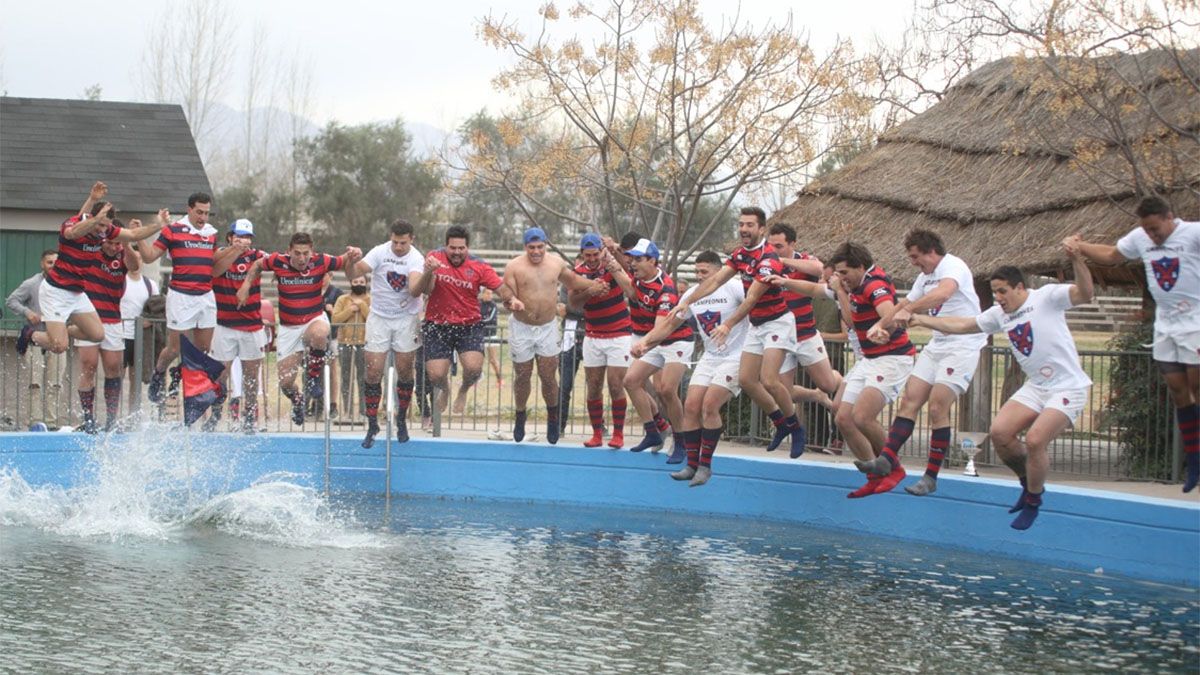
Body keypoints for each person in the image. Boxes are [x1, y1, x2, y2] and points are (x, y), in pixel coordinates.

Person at [907, 242, 1095, 529]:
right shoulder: (998, 314)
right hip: (1038, 386)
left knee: (1034, 440)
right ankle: (1027, 485)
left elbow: (1085, 293)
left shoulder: (1046, 297)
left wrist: (1079, 261)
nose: (998, 297)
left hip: (1068, 387)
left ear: (1020, 288)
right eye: (994, 292)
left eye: (1003, 291)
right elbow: (963, 326)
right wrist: (921, 319)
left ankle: (1034, 501)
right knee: (1000, 434)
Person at [1069, 197, 1200, 492]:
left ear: (1169, 217)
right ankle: (1193, 462)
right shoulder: (1140, 238)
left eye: (1155, 229)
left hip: (1196, 323)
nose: (1152, 236)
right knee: (1179, 392)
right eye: (1147, 231)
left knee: (1196, 387)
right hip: (1165, 327)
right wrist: (1080, 246)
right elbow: (1113, 253)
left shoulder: (1193, 233)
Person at [859, 229, 987, 496]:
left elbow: (943, 294)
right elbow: (905, 303)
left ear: (930, 251)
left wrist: (910, 310)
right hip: (938, 343)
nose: (913, 262)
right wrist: (880, 326)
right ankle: (886, 459)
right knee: (909, 400)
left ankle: (931, 476)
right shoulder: (923, 277)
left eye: (916, 256)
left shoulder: (953, 265)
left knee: (938, 407)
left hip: (963, 344)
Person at [672, 206, 805, 456]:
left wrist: (728, 324)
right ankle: (780, 422)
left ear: (762, 228)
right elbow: (714, 281)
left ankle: (795, 427)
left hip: (777, 322)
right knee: (746, 380)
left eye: (750, 225)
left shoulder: (768, 259)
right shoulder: (740, 255)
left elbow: (752, 297)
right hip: (757, 324)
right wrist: (687, 301)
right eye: (741, 224)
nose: (744, 229)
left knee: (769, 379)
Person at [632, 251, 746, 485]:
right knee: (691, 405)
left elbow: (754, 304)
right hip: (711, 356)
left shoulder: (735, 286)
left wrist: (733, 326)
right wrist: (645, 342)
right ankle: (691, 464)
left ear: (719, 271)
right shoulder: (693, 295)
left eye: (704, 272)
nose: (699, 276)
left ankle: (705, 466)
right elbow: (668, 324)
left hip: (737, 355)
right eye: (696, 272)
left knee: (709, 405)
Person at [237, 232, 362, 427]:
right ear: (289, 251)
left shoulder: (321, 261)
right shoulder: (278, 261)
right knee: (285, 383)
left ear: (312, 252)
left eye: (306, 253)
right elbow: (257, 265)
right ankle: (297, 399)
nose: (302, 258)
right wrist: (245, 285)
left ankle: (313, 378)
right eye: (297, 253)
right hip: (288, 328)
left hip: (313, 319)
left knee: (320, 333)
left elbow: (346, 263)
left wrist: (354, 255)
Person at [825, 242, 916, 497]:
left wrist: (883, 330)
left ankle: (893, 467)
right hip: (870, 358)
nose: (840, 278)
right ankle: (875, 474)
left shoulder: (873, 285)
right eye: (838, 273)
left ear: (860, 267)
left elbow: (891, 315)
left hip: (892, 358)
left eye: (844, 272)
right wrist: (841, 291)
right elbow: (852, 323)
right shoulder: (853, 287)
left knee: (862, 417)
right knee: (841, 415)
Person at [411, 225, 521, 436]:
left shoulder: (479, 265)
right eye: (453, 247)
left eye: (461, 248)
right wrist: (429, 271)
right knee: (435, 374)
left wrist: (512, 299)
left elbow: (500, 287)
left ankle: (462, 390)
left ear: (467, 247)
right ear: (446, 246)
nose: (457, 252)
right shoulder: (434, 257)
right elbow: (424, 289)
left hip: (468, 325)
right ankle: (446, 388)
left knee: (473, 368)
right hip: (437, 324)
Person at [23, 193, 162, 356]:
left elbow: (133, 235)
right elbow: (72, 233)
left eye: (106, 226)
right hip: (56, 291)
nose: (102, 230)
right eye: (100, 225)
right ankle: (29, 334)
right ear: (92, 217)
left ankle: (63, 332)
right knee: (59, 347)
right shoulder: (74, 225)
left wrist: (159, 224)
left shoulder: (106, 231)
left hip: (76, 293)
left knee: (98, 335)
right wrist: (95, 217)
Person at [502, 227, 604, 444]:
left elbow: (574, 282)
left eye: (540, 247)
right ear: (525, 247)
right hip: (522, 326)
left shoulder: (556, 263)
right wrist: (512, 301)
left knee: (548, 376)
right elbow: (506, 294)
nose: (536, 251)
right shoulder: (514, 266)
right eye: (532, 247)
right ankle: (520, 413)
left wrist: (594, 285)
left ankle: (553, 415)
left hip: (547, 327)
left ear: (546, 245)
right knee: (522, 375)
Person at [345, 219, 426, 446]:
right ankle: (372, 422)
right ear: (390, 237)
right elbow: (354, 273)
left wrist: (423, 280)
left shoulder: (416, 258)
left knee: (404, 370)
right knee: (373, 370)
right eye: (395, 242)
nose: (398, 247)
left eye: (402, 243)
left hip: (406, 318)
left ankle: (401, 418)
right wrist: (350, 261)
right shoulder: (380, 251)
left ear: (411, 239)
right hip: (379, 317)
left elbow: (413, 287)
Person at [137, 192, 221, 405]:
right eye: (199, 212)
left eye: (207, 213)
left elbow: (214, 265)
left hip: (206, 296)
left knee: (202, 350)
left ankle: (179, 376)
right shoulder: (173, 230)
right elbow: (148, 257)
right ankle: (159, 373)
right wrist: (139, 236)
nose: (203, 217)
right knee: (175, 348)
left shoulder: (211, 234)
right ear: (189, 209)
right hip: (182, 295)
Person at [768, 223, 843, 456]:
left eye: (779, 246)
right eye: (771, 246)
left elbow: (819, 268)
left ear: (792, 244)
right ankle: (815, 396)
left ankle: (839, 381)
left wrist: (783, 261)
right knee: (783, 392)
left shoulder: (801, 260)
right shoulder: (766, 263)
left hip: (806, 334)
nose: (774, 250)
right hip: (782, 339)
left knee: (828, 384)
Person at [614, 238, 693, 454]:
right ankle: (652, 432)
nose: (633, 263)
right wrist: (614, 267)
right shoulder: (639, 279)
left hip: (676, 340)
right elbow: (631, 291)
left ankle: (681, 440)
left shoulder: (666, 289)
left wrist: (644, 344)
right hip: (656, 340)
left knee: (666, 389)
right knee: (630, 381)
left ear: (653, 261)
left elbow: (662, 327)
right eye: (632, 259)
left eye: (638, 259)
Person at [568, 234, 633, 449]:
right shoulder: (577, 273)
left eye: (595, 254)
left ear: (600, 251)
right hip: (593, 335)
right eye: (588, 255)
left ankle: (618, 434)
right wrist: (590, 291)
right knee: (594, 387)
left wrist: (614, 251)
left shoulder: (610, 266)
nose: (592, 259)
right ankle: (597, 433)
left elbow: (630, 271)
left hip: (619, 333)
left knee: (616, 385)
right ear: (582, 254)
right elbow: (573, 304)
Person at [76, 237, 140, 432]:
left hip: (112, 319)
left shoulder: (123, 255)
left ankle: (111, 420)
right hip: (88, 316)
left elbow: (135, 265)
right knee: (89, 366)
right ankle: (88, 419)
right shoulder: (91, 250)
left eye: (117, 244)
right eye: (110, 243)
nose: (113, 247)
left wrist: (127, 243)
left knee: (113, 369)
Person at [208, 219, 267, 433]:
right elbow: (214, 271)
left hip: (251, 326)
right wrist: (234, 250)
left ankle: (250, 417)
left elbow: (271, 264)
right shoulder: (220, 254)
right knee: (219, 374)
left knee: (251, 376)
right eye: (239, 236)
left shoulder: (257, 256)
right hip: (224, 324)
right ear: (230, 237)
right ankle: (215, 414)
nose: (243, 241)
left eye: (247, 237)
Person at [119, 248, 158, 412]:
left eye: (140, 258)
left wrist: (150, 320)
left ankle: (132, 417)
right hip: (120, 335)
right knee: (116, 378)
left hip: (141, 338)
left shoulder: (150, 284)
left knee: (136, 380)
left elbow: (158, 307)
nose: (137, 261)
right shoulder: (120, 281)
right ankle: (114, 416)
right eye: (133, 258)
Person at [332, 275, 370, 420]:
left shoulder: (370, 299)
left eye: (361, 282)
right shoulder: (342, 300)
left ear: (366, 283)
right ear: (351, 283)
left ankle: (363, 412)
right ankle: (347, 412)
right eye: (356, 281)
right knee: (346, 378)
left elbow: (372, 319)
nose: (358, 284)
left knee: (363, 378)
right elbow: (335, 319)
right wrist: (350, 309)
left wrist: (362, 306)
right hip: (345, 342)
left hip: (364, 343)